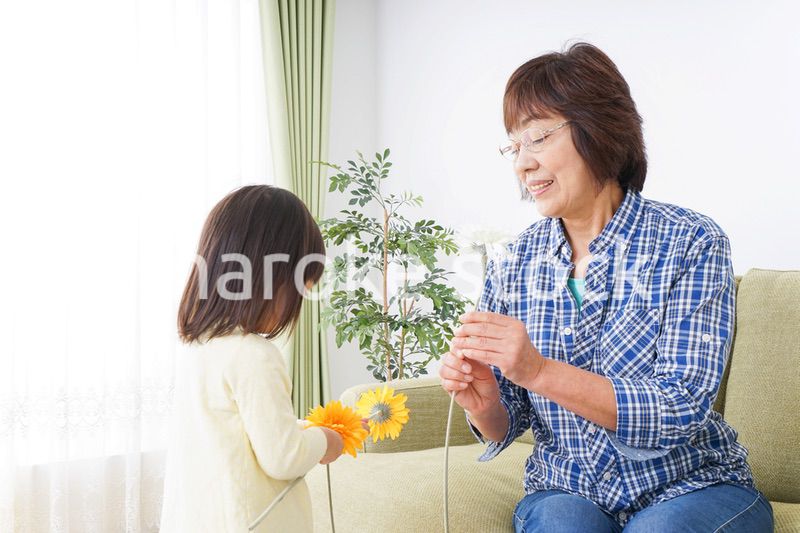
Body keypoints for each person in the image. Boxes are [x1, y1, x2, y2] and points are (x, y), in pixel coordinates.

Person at [439, 43, 774, 532]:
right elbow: (508, 420)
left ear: (599, 129)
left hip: (691, 484)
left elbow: (679, 406)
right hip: (568, 488)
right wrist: (487, 402)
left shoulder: (691, 241)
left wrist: (536, 369)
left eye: (537, 138)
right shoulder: (514, 261)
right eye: (514, 146)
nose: (522, 165)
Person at [160, 185, 343, 532]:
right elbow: (283, 458)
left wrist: (308, 428)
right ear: (272, 277)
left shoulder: (201, 349)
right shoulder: (255, 356)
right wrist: (326, 441)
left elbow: (245, 434)